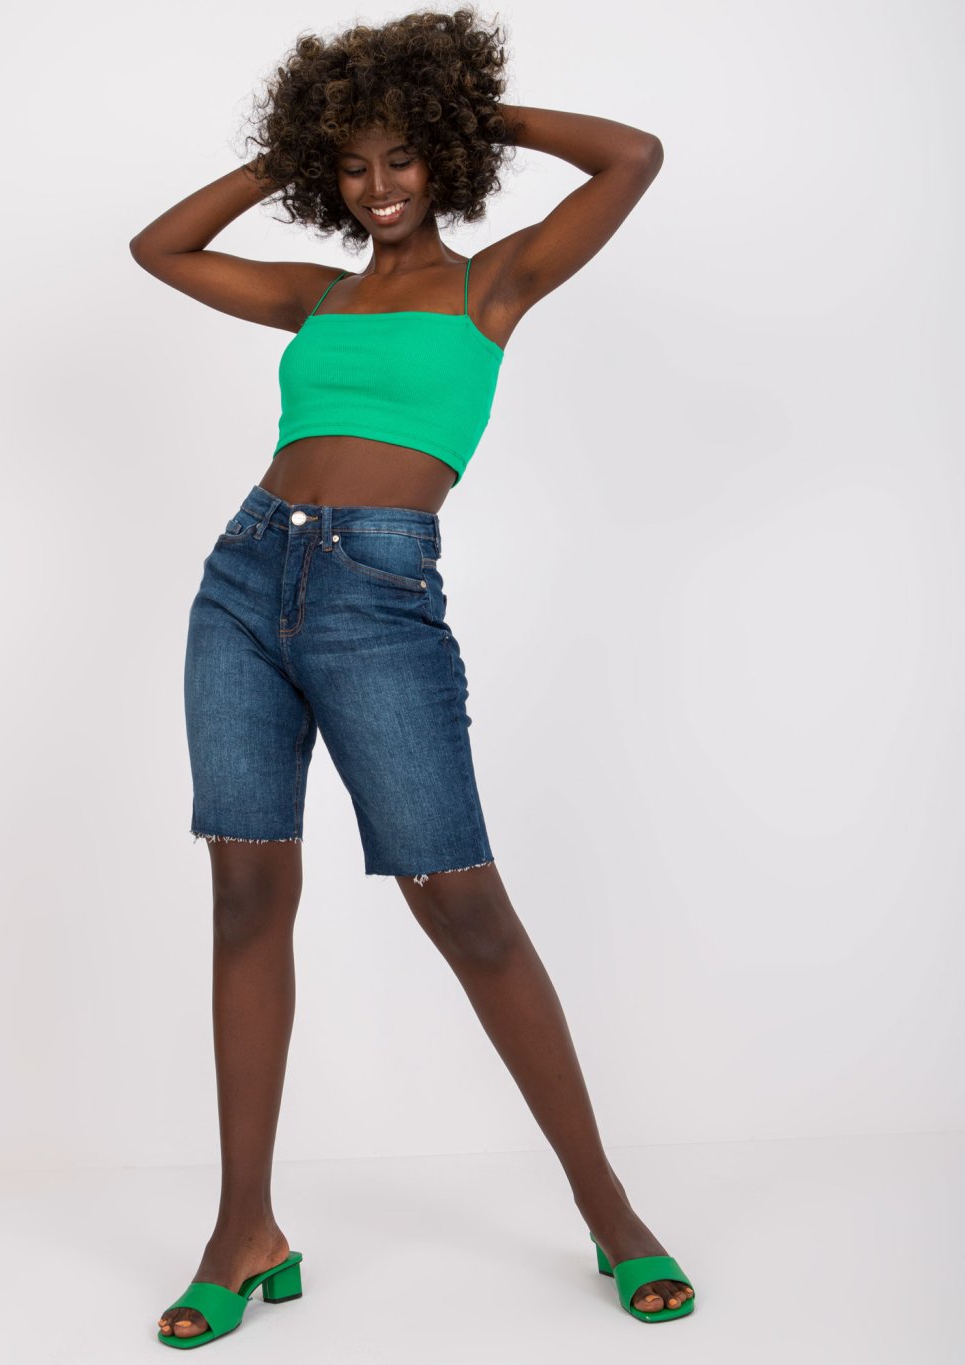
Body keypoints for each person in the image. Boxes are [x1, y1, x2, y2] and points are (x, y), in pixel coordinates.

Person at [129, 7, 690, 1348]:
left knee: (467, 907)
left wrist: (470, 113)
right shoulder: (313, 296)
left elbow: (632, 155)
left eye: (402, 156)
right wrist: (287, 155)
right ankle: (245, 1229)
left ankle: (611, 1211)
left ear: (442, 157)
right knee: (246, 895)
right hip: (243, 583)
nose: (378, 186)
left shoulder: (495, 284)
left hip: (378, 603)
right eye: (353, 164)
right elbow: (160, 249)